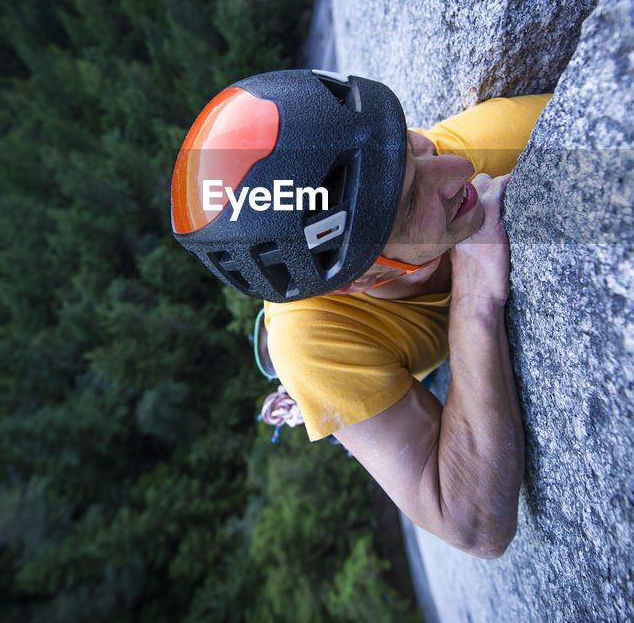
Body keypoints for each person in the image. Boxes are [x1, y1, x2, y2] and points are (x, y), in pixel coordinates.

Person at [171, 69, 549, 558]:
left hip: (381, 342)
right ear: (359, 281)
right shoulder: (312, 344)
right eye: (412, 201)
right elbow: (475, 526)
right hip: (334, 344)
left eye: (411, 146)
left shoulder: (476, 149)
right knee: (305, 367)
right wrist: (474, 301)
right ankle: (297, 390)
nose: (459, 168)